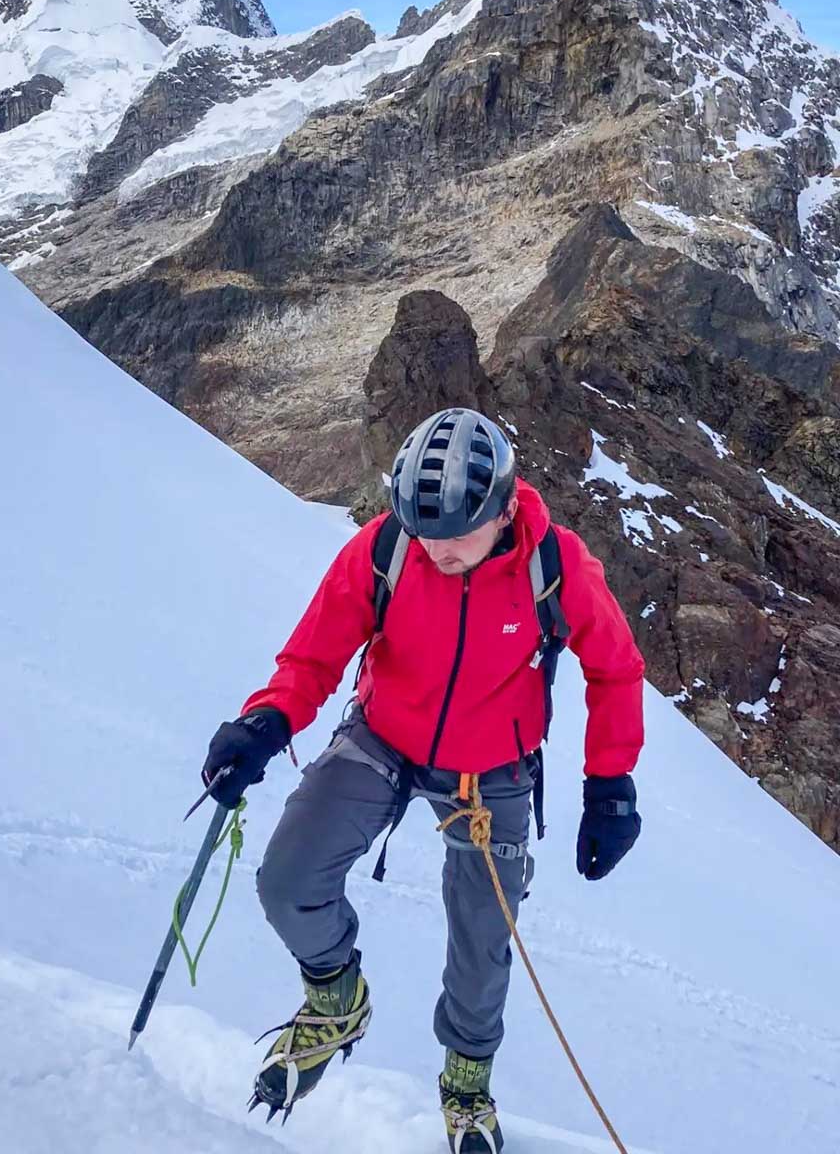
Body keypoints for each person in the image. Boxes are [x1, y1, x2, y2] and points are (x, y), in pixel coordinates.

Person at [203, 407, 644, 1152]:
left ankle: (467, 1085)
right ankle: (336, 998)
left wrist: (610, 785)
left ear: (505, 508)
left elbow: (616, 666)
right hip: (383, 737)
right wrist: (267, 721)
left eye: (453, 533)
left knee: (482, 940)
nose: (434, 547)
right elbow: (314, 656)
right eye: (422, 529)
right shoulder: (387, 550)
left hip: (493, 769)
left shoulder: (554, 566)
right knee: (287, 879)